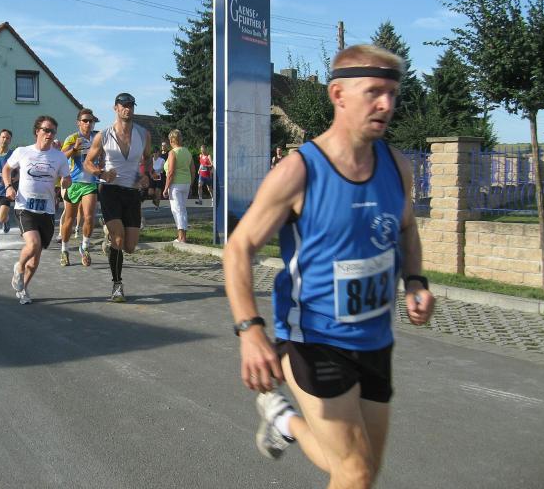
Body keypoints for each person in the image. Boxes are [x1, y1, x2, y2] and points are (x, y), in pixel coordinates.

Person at [223, 45, 436, 489]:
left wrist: (415, 280)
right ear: (338, 94)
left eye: (393, 93)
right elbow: (239, 248)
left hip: (375, 338)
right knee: (355, 472)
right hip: (314, 339)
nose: (387, 104)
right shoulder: (300, 171)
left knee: (362, 467)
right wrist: (250, 330)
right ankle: (284, 416)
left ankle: (283, 420)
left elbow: (407, 229)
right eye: (374, 92)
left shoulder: (396, 166)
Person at [84, 92, 152, 303]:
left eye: (130, 105)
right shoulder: (103, 135)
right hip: (110, 190)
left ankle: (109, 240)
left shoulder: (143, 134)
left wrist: (146, 176)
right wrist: (101, 173)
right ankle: (117, 285)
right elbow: (88, 162)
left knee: (129, 247)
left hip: (132, 192)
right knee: (119, 239)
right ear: (115, 108)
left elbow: (148, 158)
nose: (127, 109)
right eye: (123, 105)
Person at [2, 115, 71, 305]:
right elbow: (7, 169)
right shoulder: (23, 152)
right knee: (33, 244)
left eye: (53, 131)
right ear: (37, 131)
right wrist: (8, 187)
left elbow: (67, 178)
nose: (50, 134)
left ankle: (23, 288)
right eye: (46, 130)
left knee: (35, 259)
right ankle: (19, 267)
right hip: (24, 207)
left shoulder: (59, 156)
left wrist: (66, 181)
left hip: (47, 210)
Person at [59, 108, 101, 267]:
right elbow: (61, 157)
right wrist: (75, 149)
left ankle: (84, 247)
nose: (88, 123)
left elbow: (102, 155)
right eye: (85, 121)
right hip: (74, 183)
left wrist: (101, 165)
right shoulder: (72, 138)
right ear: (78, 123)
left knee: (89, 217)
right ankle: (64, 250)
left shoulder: (97, 138)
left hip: (90, 183)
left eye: (91, 121)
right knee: (69, 220)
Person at [162, 129, 195, 244]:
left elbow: (170, 172)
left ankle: (181, 238)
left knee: (177, 210)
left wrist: (166, 188)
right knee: (183, 210)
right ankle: (182, 236)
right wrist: (190, 185)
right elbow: (193, 171)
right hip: (186, 184)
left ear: (171, 140)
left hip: (175, 185)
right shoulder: (187, 152)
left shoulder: (172, 153)